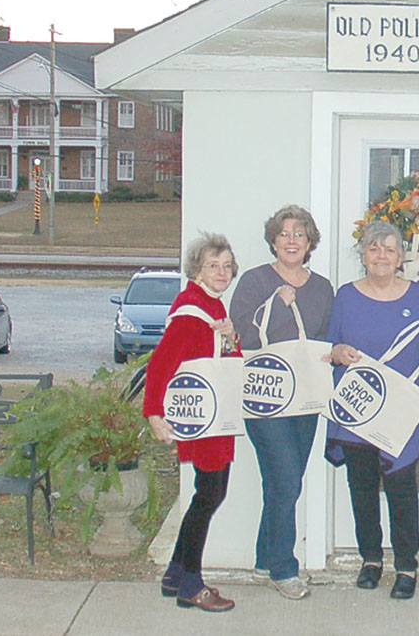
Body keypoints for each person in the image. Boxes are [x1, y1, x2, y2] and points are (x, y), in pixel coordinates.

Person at [326, 220, 419, 600]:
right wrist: (338, 352)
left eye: (389, 249)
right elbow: (331, 347)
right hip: (358, 407)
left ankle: (407, 566)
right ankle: (371, 560)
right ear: (363, 254)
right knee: (361, 488)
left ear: (400, 258)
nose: (381, 255)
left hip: (399, 411)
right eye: (374, 248)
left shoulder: (418, 295)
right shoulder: (346, 296)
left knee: (402, 488)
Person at [229, 205, 333, 601]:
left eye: (299, 234)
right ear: (273, 241)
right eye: (284, 234)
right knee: (287, 479)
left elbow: (325, 338)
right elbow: (242, 333)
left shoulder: (322, 288)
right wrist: (276, 303)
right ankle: (284, 568)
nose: (291, 240)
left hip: (305, 397)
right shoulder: (256, 281)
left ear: (309, 242)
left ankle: (264, 558)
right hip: (265, 397)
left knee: (281, 482)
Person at [143, 232, 240, 613]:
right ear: (197, 270)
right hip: (202, 420)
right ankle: (191, 584)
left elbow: (227, 361)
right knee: (209, 496)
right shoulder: (191, 311)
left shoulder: (212, 306)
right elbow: (160, 365)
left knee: (208, 494)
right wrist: (154, 413)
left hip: (214, 416)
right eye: (213, 265)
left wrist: (231, 337)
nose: (222, 272)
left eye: (227, 266)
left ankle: (175, 574)